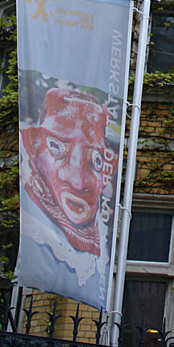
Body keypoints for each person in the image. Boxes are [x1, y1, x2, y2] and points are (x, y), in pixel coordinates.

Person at [18, 86, 117, 307]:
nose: (78, 182)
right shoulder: (30, 226)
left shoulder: (101, 240)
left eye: (96, 159)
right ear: (33, 145)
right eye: (56, 147)